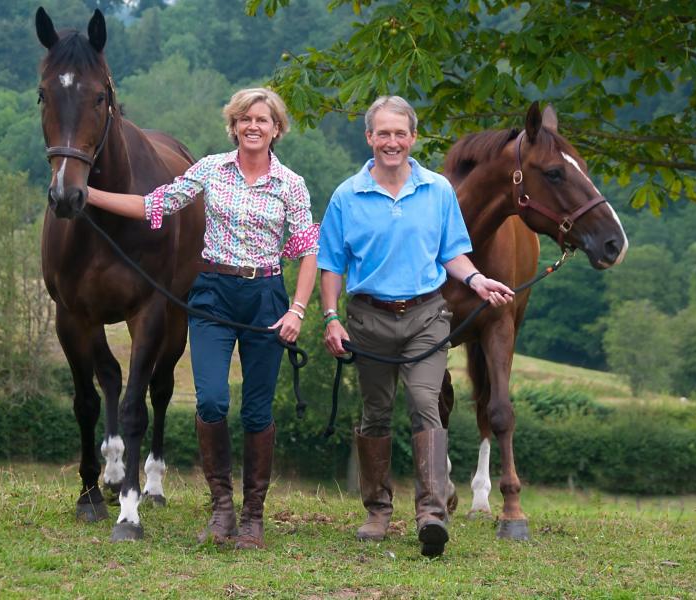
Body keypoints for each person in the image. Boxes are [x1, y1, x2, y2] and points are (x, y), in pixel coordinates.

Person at [85, 87, 319, 550]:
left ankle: (253, 516)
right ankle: (222, 509)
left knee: (256, 411)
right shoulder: (211, 169)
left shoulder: (291, 184)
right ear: (234, 126)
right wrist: (89, 193)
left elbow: (308, 249)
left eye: (263, 120)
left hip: (267, 299)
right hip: (212, 294)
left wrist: (297, 309)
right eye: (245, 119)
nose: (253, 126)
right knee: (210, 401)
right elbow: (154, 205)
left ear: (276, 129)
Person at [318, 95, 514, 557]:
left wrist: (478, 279)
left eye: (399, 133)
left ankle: (431, 513)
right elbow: (331, 264)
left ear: (413, 137)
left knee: (426, 402)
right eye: (382, 133)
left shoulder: (438, 191)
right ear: (369, 137)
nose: (392, 142)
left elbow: (451, 252)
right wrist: (330, 317)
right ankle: (378, 509)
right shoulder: (347, 195)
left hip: (427, 314)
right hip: (368, 318)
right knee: (375, 413)